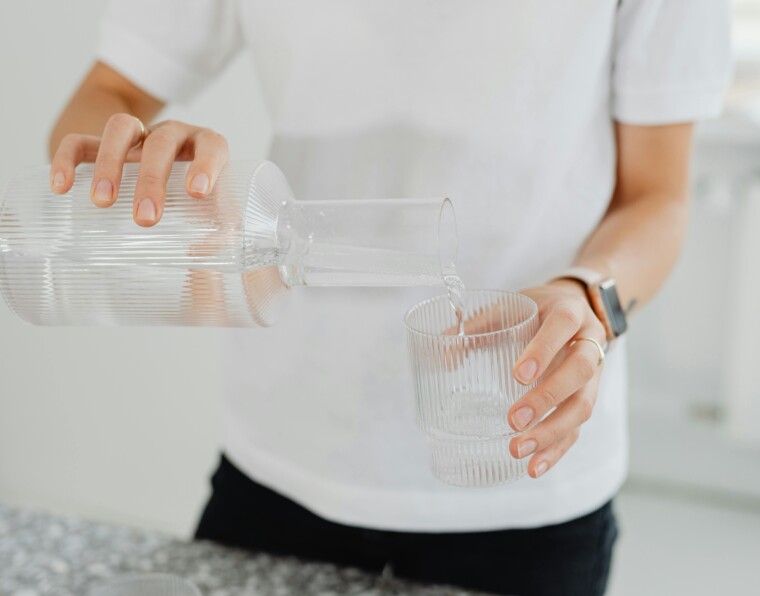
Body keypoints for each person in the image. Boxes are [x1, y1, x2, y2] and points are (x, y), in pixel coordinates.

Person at [48, 1, 732, 594]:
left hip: (525, 484)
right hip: (284, 462)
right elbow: (108, 93)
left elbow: (657, 198)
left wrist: (588, 295)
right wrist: (140, 167)